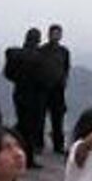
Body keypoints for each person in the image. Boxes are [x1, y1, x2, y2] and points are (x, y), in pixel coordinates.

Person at [3, 28, 46, 169]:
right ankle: (27, 158)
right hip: (35, 95)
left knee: (23, 124)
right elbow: (44, 78)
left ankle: (17, 151)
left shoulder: (16, 55)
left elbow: (8, 73)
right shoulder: (39, 57)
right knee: (30, 127)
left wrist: (19, 80)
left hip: (20, 92)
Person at [38, 24, 70, 156]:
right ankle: (38, 144)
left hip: (58, 89)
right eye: (54, 33)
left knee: (58, 118)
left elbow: (66, 68)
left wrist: (63, 81)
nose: (56, 36)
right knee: (40, 117)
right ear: (49, 34)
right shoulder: (42, 50)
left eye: (58, 33)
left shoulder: (64, 51)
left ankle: (58, 145)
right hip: (44, 89)